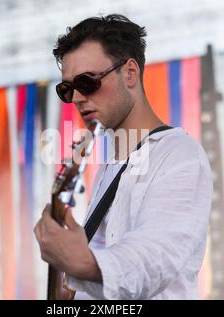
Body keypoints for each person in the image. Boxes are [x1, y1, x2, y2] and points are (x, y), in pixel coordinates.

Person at [34, 14, 213, 299]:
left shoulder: (179, 155)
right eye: (67, 89)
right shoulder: (112, 165)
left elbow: (153, 259)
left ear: (130, 73)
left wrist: (82, 263)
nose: (78, 97)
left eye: (88, 82)